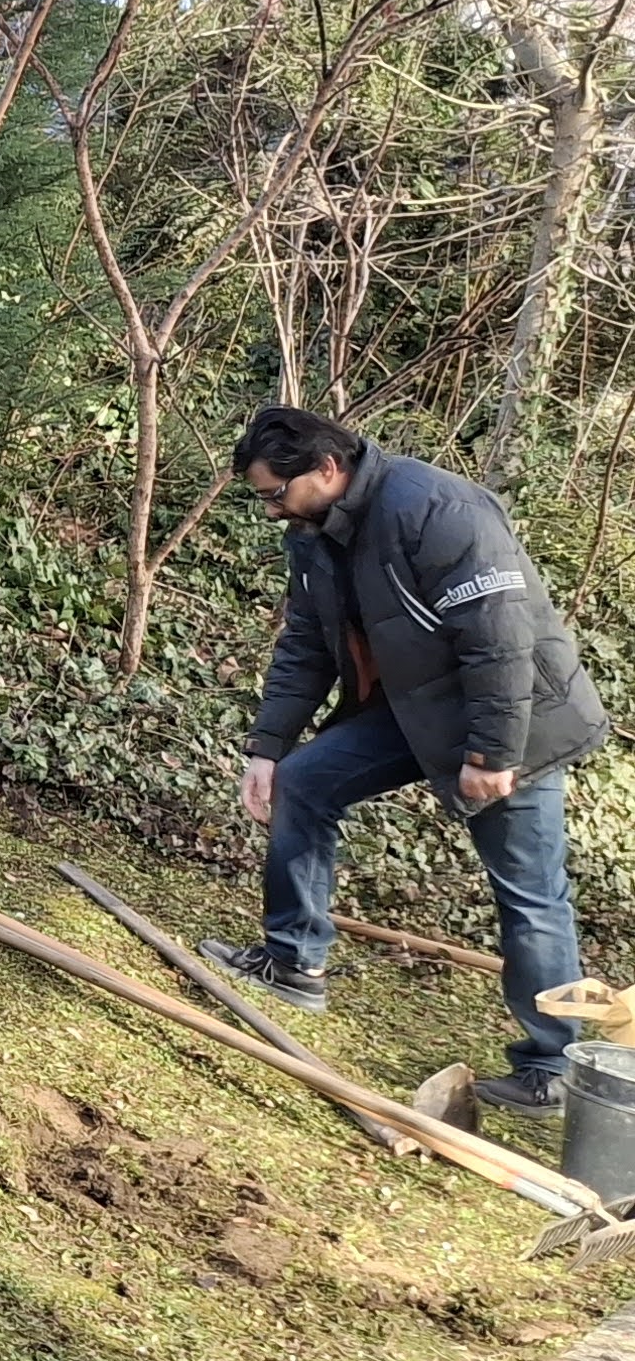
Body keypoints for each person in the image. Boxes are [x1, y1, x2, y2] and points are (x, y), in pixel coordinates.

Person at [213, 404, 607, 1113]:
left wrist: (491, 751)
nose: (270, 509)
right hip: (415, 707)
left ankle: (553, 1067)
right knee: (303, 782)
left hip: (515, 719)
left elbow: (499, 639)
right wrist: (266, 749)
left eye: (276, 492)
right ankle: (294, 960)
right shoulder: (312, 532)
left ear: (326, 468)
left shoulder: (438, 509)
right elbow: (304, 645)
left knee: (529, 893)